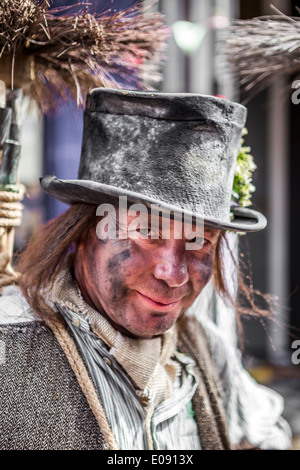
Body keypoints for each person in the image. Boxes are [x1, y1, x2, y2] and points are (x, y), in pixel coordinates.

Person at [0, 88, 291, 450]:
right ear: (86, 230)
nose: (174, 274)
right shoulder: (7, 347)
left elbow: (267, 434)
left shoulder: (203, 346)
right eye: (147, 231)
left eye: (200, 241)